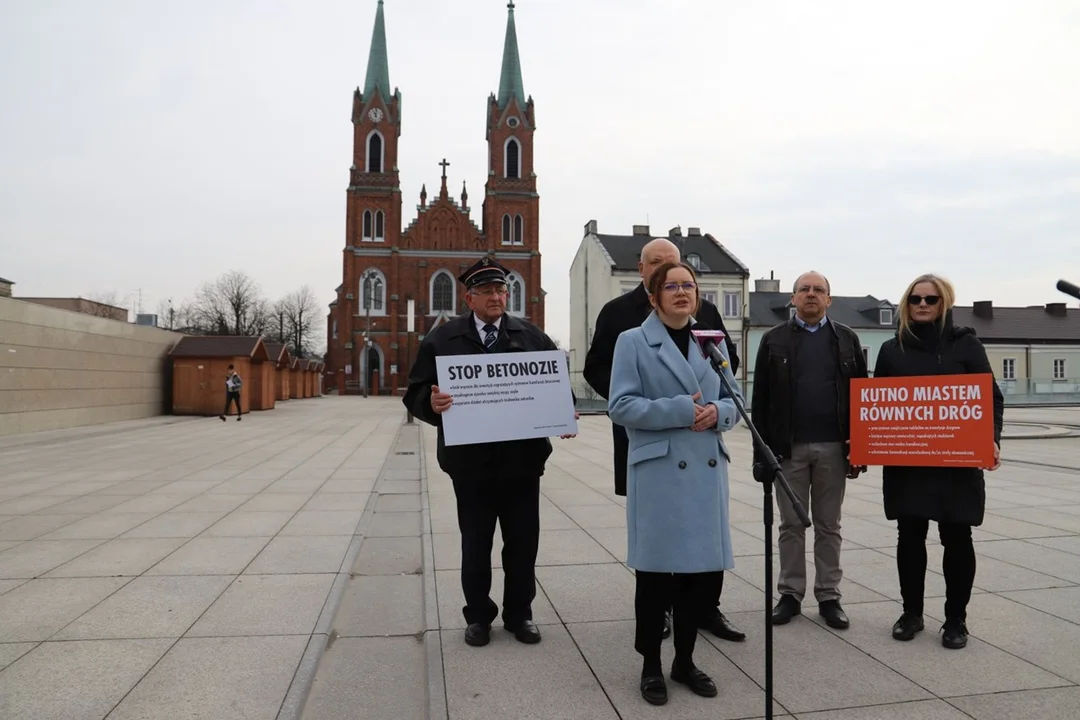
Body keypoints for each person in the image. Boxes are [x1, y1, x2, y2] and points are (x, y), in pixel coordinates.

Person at [402, 256, 577, 648]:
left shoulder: (531, 336)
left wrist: (563, 413)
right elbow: (414, 393)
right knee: (476, 543)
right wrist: (431, 405)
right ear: (469, 298)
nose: (497, 296)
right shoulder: (442, 340)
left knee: (522, 542)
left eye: (501, 290)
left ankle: (520, 614)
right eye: (487, 291)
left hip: (522, 463)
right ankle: (478, 616)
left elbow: (555, 386)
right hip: (471, 466)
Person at [583, 237, 745, 643]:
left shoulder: (705, 318)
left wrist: (718, 411)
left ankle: (706, 610)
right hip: (652, 443)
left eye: (680, 273)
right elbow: (600, 373)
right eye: (660, 269)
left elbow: (730, 376)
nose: (675, 284)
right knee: (659, 549)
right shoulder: (620, 316)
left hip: (702, 448)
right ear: (643, 271)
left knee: (704, 549)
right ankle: (659, 627)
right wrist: (658, 403)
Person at [607, 260, 740, 706]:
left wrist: (718, 414)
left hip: (705, 473)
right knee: (657, 578)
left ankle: (685, 660)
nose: (682, 292)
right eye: (672, 286)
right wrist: (682, 410)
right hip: (660, 472)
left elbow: (734, 401)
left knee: (698, 577)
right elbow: (621, 406)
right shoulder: (633, 341)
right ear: (654, 296)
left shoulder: (712, 339)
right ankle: (650, 666)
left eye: (689, 285)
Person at [873, 273, 1003, 649]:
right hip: (908, 461)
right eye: (916, 299)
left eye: (931, 299)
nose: (923, 305)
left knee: (957, 537)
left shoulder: (967, 346)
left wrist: (991, 439)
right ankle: (911, 612)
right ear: (906, 304)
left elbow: (990, 398)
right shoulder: (891, 349)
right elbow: (876, 405)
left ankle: (955, 620)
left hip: (956, 462)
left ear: (944, 303)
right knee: (909, 536)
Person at [750, 271, 867, 629]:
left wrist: (860, 447)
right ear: (793, 299)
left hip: (834, 447)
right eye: (804, 289)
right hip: (789, 450)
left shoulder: (846, 339)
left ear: (829, 299)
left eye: (819, 290)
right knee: (791, 525)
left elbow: (862, 396)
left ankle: (829, 596)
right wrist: (761, 455)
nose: (811, 295)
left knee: (829, 525)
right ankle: (790, 594)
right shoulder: (773, 340)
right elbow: (761, 401)